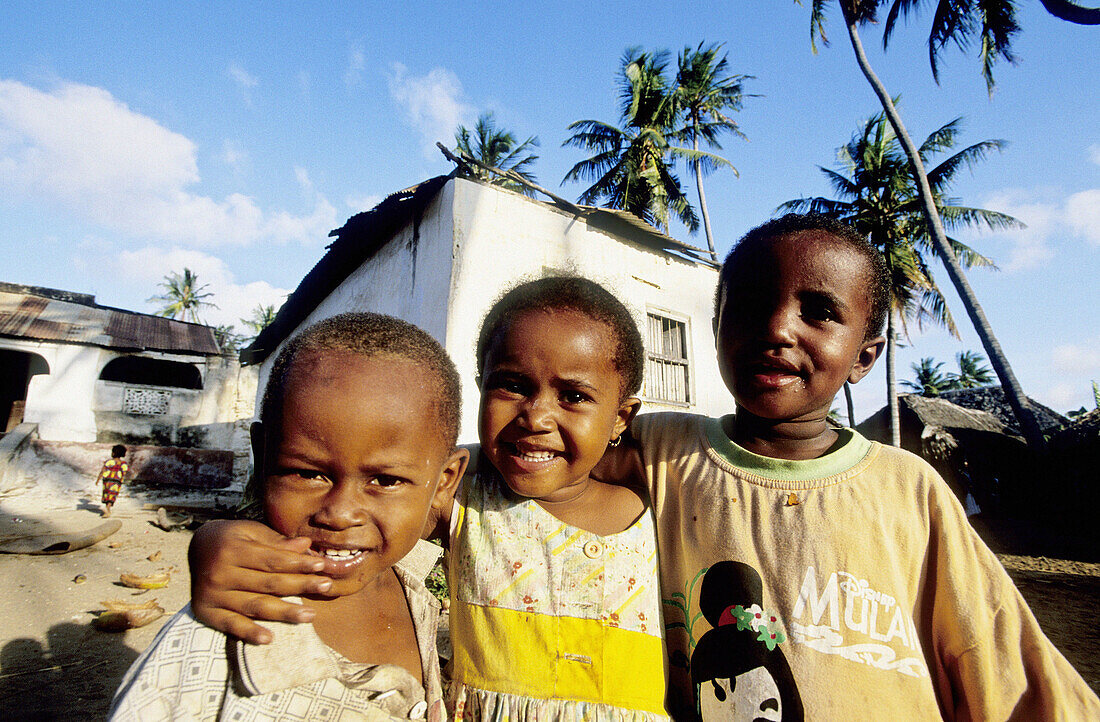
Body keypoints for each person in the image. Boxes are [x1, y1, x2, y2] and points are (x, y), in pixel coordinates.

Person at [611, 213, 1099, 718]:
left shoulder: (908, 489)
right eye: (752, 302)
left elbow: (1000, 660)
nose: (776, 327)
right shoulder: (654, 448)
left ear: (864, 358)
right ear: (716, 328)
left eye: (820, 311)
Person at [188, 277, 670, 720]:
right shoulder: (459, 499)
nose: (536, 416)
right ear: (481, 386)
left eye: (574, 397)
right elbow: (342, 526)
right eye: (513, 385)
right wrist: (215, 540)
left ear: (621, 419)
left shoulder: (652, 513)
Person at [110, 313, 469, 721]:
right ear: (262, 455)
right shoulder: (217, 635)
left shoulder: (413, 589)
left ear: (445, 481)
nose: (339, 514)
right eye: (307, 473)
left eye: (385, 480)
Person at [96, 444, 128, 517]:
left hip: (107, 481)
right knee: (112, 495)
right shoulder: (123, 463)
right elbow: (124, 472)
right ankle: (108, 509)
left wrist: (98, 479)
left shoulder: (109, 461)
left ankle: (107, 510)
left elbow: (103, 471)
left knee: (107, 494)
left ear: (113, 453)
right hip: (116, 482)